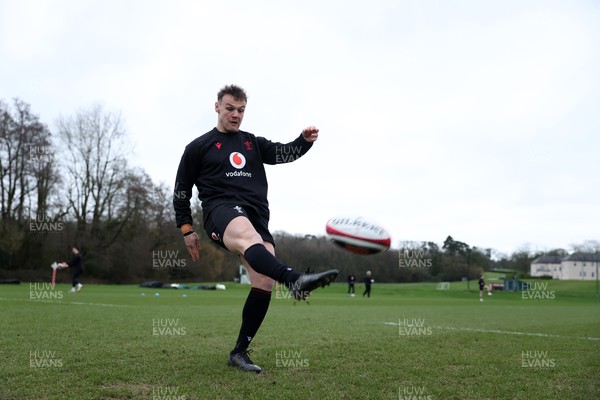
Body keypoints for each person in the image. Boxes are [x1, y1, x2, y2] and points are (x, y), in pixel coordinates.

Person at [173, 84, 338, 373]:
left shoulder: (252, 142)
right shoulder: (198, 147)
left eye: (241, 110)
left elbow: (283, 153)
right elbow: (181, 191)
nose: (235, 115)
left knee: (263, 281)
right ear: (217, 107)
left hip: (257, 215)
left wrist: (304, 141)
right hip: (220, 211)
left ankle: (239, 352)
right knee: (251, 241)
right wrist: (187, 229)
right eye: (230, 109)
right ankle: (296, 279)